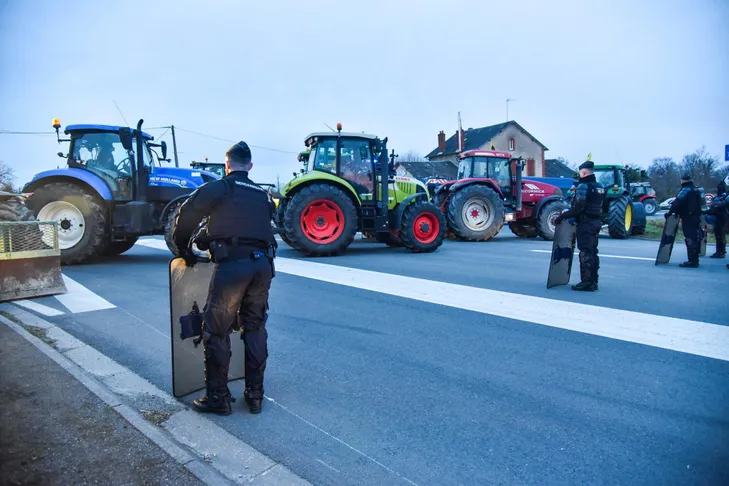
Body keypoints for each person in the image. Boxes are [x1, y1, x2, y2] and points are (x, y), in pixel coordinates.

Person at [172, 141, 277, 415]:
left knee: (216, 330)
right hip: (263, 266)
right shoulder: (263, 195)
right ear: (250, 166)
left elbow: (187, 214)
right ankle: (255, 395)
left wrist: (183, 249)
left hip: (233, 267)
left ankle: (218, 397)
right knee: (255, 328)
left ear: (226, 164)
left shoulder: (220, 187)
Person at [555, 159, 605, 291]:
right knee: (593, 251)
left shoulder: (583, 187)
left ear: (583, 173)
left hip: (586, 223)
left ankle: (586, 282)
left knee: (585, 252)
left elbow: (578, 208)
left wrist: (562, 216)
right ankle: (594, 281)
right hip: (596, 222)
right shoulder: (600, 186)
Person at [665, 173, 702, 268]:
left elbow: (677, 202)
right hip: (696, 217)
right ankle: (695, 260)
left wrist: (670, 212)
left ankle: (692, 261)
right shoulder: (697, 190)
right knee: (695, 237)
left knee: (690, 238)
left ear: (682, 181)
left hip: (688, 217)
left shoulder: (685, 190)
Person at [707, 180, 727, 259]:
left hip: (722, 217)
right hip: (719, 216)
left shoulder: (724, 197)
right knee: (719, 235)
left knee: (720, 235)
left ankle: (720, 252)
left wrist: (710, 211)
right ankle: (720, 251)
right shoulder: (721, 197)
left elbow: (718, 206)